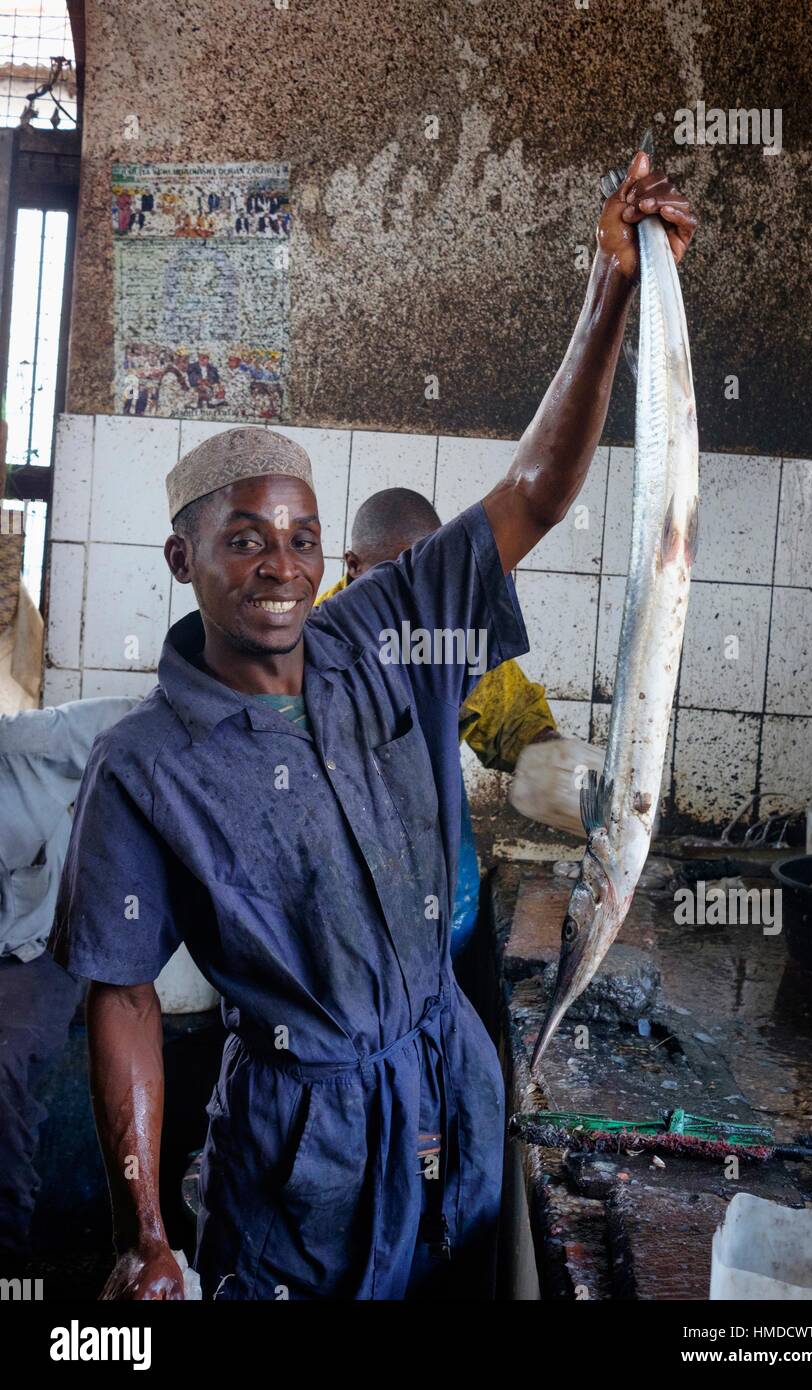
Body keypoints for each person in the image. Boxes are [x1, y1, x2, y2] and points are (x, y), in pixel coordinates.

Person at [50, 151, 696, 1300]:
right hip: (301, 1155)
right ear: (181, 557)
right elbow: (124, 993)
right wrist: (145, 1228)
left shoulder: (391, 634)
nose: (280, 566)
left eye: (299, 538)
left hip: (447, 1087)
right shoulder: (141, 766)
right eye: (243, 538)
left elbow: (536, 488)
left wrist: (607, 294)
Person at [316, 488, 559, 957]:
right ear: (352, 564)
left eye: (424, 577)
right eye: (390, 577)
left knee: (447, 933)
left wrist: (564, 770)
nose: (409, 596)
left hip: (431, 819)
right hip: (337, 822)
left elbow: (513, 722)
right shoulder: (313, 634)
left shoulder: (450, 634)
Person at [0, 697, 138, 1272]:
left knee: (2, 1070)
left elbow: (144, 715)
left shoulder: (30, 743)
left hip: (29, 954)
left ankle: (7, 1257)